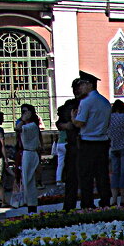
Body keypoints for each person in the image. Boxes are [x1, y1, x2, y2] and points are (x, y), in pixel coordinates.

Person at [72, 71, 112, 209]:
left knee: (86, 175)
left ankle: (87, 203)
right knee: (102, 174)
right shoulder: (105, 102)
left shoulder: (86, 102)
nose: (80, 87)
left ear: (89, 85)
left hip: (88, 142)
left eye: (82, 84)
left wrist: (73, 118)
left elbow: (80, 123)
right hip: (103, 141)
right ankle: (105, 201)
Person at [57, 78, 82, 211]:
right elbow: (59, 123)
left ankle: (88, 204)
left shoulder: (88, 104)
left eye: (78, 88)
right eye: (74, 88)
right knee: (71, 178)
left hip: (87, 145)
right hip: (72, 145)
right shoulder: (69, 105)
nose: (76, 91)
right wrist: (66, 125)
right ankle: (69, 206)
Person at [15, 105, 41, 214]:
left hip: (29, 153)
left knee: (28, 180)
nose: (23, 114)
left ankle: (31, 205)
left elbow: (17, 128)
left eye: (26, 112)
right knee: (26, 180)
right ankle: (29, 204)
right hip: (26, 152)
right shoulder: (28, 125)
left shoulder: (31, 125)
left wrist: (23, 120)